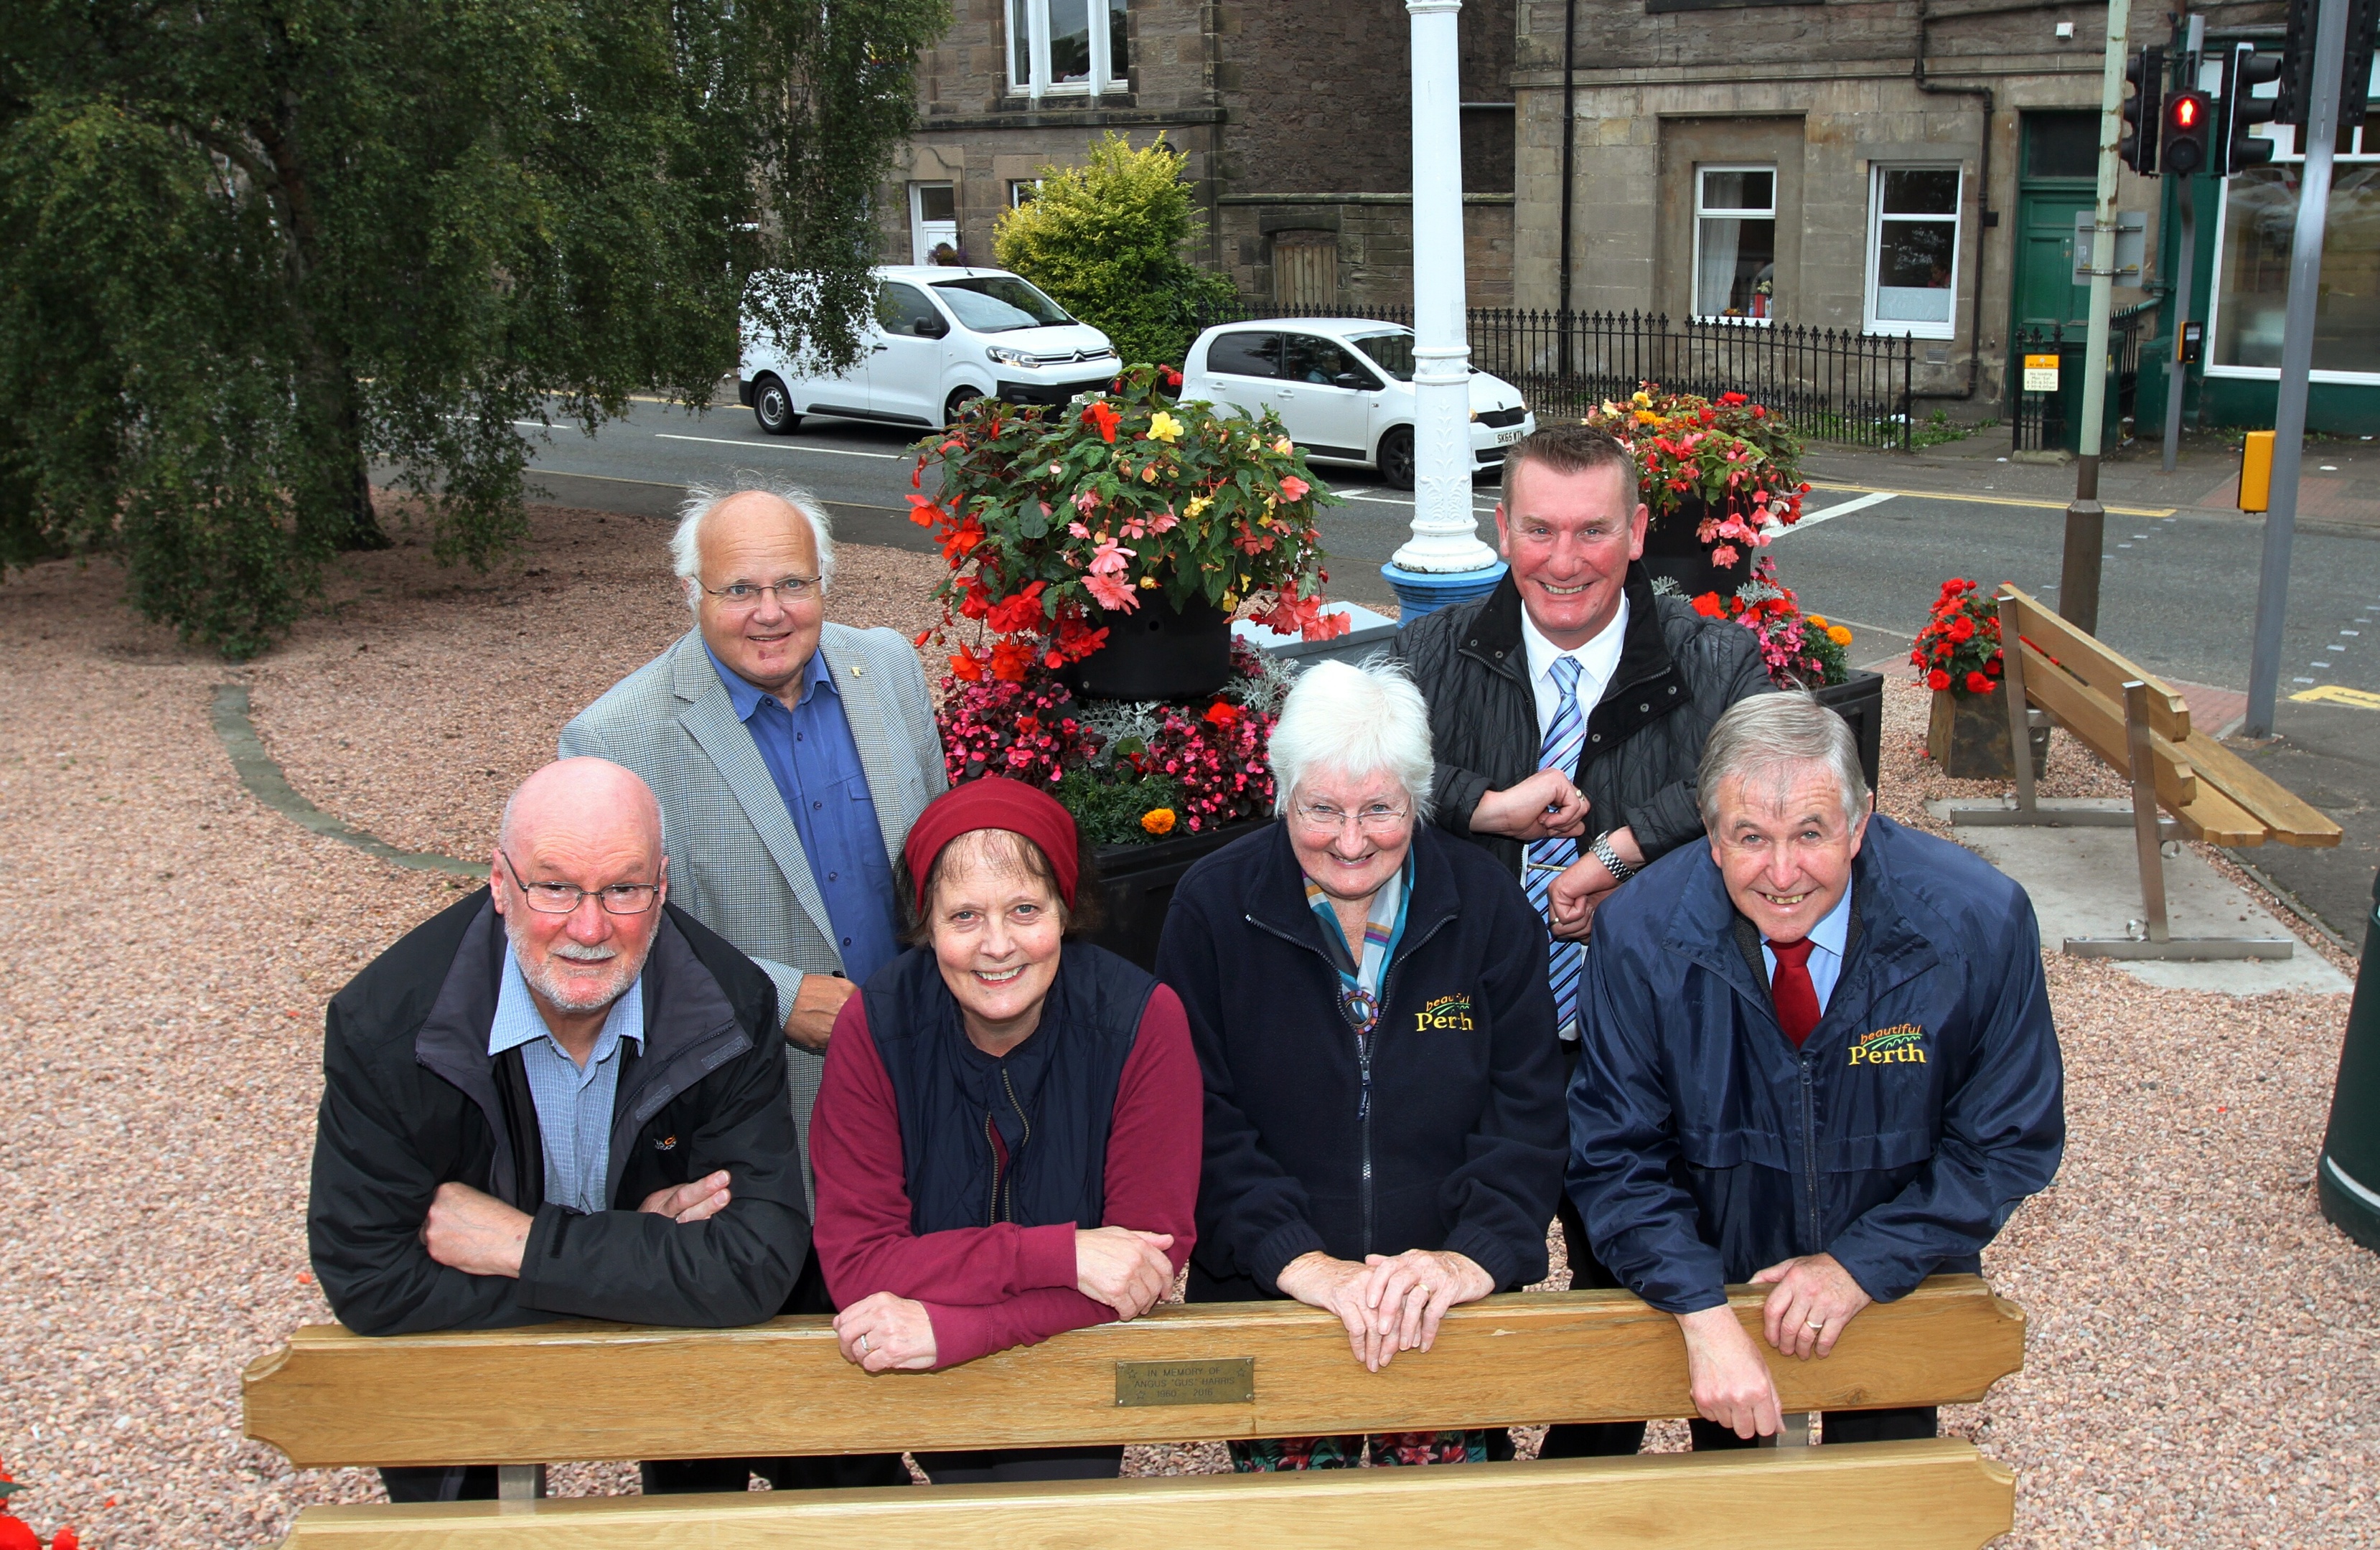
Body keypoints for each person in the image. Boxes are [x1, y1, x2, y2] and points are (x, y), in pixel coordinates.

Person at [1395, 423, 1771, 1457]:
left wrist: (1620, 857)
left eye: (1594, 531)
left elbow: (1759, 784)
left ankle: (1665, 1486)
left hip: (1649, 1035)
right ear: (1502, 528)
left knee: (1660, 1265)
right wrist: (1485, 806)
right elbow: (1357, 785)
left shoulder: (1714, 659)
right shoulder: (1433, 654)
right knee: (1475, 1273)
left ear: (1640, 530)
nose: (1565, 561)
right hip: (1485, 1037)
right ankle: (1498, 1492)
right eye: (1540, 530)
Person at [558, 478, 942, 1490]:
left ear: (826, 581)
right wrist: (784, 999)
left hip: (909, 1088)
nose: (769, 612)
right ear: (691, 591)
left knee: (889, 1363)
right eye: (738, 590)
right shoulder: (618, 737)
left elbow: (939, 857)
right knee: (731, 1407)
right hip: (738, 1116)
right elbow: (609, 938)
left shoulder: (890, 669)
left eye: (791, 584)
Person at [1568, 693, 2065, 1451]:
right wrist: (1701, 1311)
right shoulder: (1639, 933)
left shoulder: (1976, 921)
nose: (1781, 872)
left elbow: (2008, 1138)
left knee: (1886, 1497)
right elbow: (1615, 1149)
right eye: (1749, 837)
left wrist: (1862, 1266)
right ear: (1709, 835)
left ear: (1860, 822)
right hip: (1719, 1268)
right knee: (1734, 1502)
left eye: (1810, 833)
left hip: (1900, 1275)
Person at [306, 758, 805, 1505]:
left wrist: (519, 1247)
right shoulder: (388, 1026)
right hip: (462, 1382)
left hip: (679, 1374)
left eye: (624, 890)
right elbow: (371, 1279)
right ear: (500, 884)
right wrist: (639, 1257)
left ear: (663, 888)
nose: (590, 926)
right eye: (556, 886)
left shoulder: (728, 1006)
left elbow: (755, 1264)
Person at [1156, 659, 1565, 1470]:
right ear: (1282, 796)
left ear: (1418, 798)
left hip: (1441, 1302)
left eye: (1379, 809)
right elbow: (1195, 1115)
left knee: (1447, 1531)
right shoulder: (1212, 907)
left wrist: (1469, 1256)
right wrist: (1300, 1262)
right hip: (1279, 1295)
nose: (1350, 841)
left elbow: (1528, 1108)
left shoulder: (1485, 907)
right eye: (1321, 810)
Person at [809, 778, 1201, 1485]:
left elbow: (1143, 1260)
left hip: (1069, 1367)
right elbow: (860, 1264)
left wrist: (959, 1329)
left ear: (1064, 911)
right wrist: (1061, 1254)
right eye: (964, 917)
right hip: (932, 1377)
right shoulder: (876, 1025)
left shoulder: (1142, 1020)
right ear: (926, 926)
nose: (998, 946)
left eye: (1025, 909)